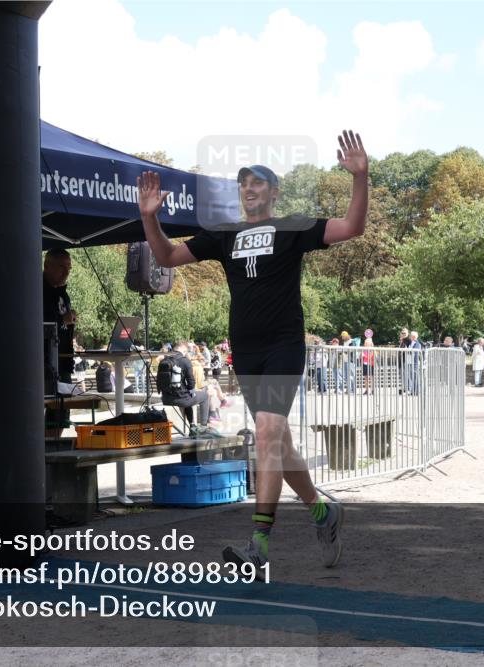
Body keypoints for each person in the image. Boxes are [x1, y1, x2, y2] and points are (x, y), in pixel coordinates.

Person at [136, 130, 368, 576]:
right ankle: (323, 513)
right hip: (246, 349)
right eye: (243, 182)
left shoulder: (293, 228)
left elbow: (352, 227)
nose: (249, 188)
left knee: (265, 434)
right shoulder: (224, 235)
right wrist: (150, 218)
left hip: (284, 345)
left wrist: (361, 177)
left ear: (273, 192)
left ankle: (259, 542)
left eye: (257, 181)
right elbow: (165, 257)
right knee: (277, 442)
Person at [43, 248, 76, 430]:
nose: (66, 272)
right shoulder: (37, 290)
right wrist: (62, 319)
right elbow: (34, 322)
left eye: (69, 268)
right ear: (47, 265)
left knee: (62, 415)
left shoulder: (63, 294)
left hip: (63, 361)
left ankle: (55, 452)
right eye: (62, 267)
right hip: (43, 363)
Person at [159, 341, 212, 435]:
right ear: (183, 350)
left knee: (188, 396)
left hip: (166, 398)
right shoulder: (184, 360)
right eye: (186, 351)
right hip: (181, 399)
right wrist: (191, 390)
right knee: (205, 396)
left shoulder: (164, 361)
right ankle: (203, 427)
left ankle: (192, 426)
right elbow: (191, 382)